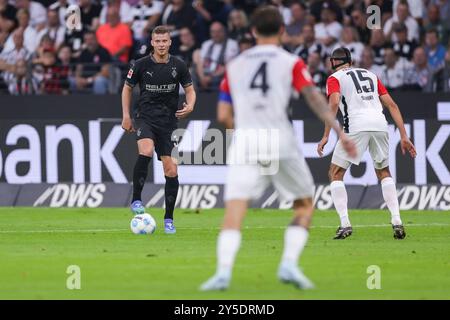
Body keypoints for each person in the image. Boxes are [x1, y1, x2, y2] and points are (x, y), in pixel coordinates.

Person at [200, 6, 356, 291]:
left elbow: (223, 116)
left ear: (252, 32)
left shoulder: (234, 67)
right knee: (304, 203)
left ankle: (222, 272)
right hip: (280, 138)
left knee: (235, 208)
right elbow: (314, 99)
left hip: (246, 140)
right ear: (282, 31)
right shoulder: (291, 63)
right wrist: (340, 133)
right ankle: (289, 263)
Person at [317, 47, 417, 240]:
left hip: (355, 125)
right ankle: (396, 220)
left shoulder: (334, 78)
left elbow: (334, 103)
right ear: (350, 61)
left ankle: (345, 223)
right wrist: (404, 135)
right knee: (384, 172)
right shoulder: (370, 74)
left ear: (333, 62)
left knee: (335, 173)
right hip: (380, 124)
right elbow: (392, 105)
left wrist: (326, 135)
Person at [121, 25, 196, 234]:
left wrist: (190, 105)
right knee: (145, 150)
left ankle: (169, 219)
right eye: (157, 41)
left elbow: (190, 91)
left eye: (165, 41)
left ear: (170, 42)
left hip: (168, 123)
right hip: (145, 118)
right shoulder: (140, 65)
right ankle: (136, 199)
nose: (161, 45)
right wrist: (126, 115)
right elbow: (127, 89)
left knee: (171, 170)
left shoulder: (179, 65)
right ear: (152, 43)